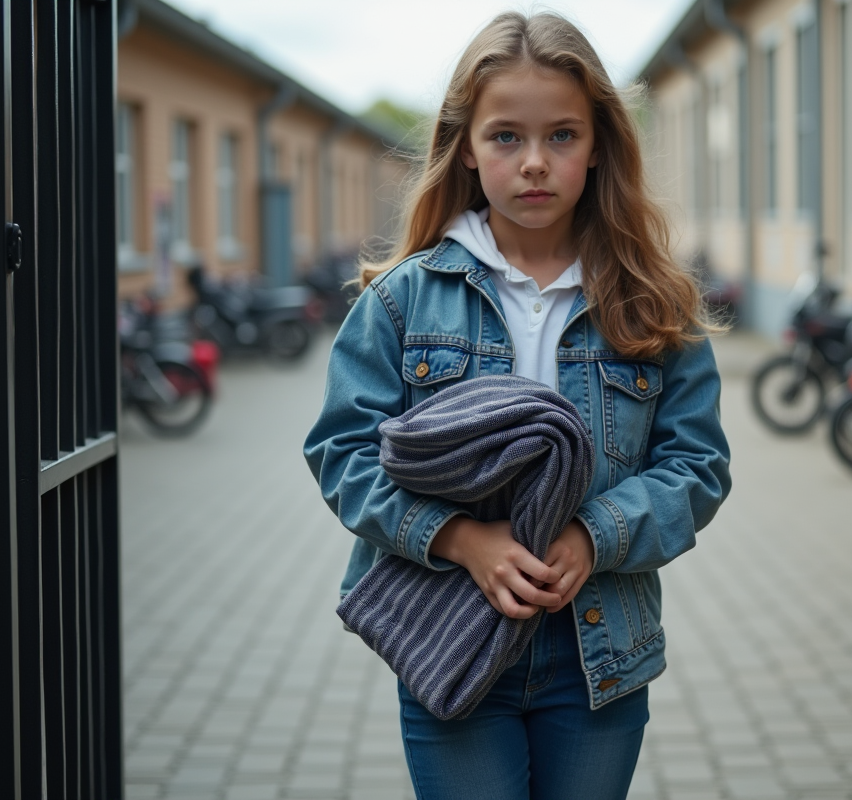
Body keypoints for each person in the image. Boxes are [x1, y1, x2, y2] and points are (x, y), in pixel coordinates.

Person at [303, 11, 731, 800]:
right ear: (466, 147)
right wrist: (462, 539)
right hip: (449, 637)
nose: (535, 163)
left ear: (599, 143)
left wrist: (591, 536)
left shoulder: (652, 303)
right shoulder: (402, 302)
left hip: (598, 655)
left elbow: (697, 467)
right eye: (506, 136)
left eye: (562, 135)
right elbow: (343, 454)